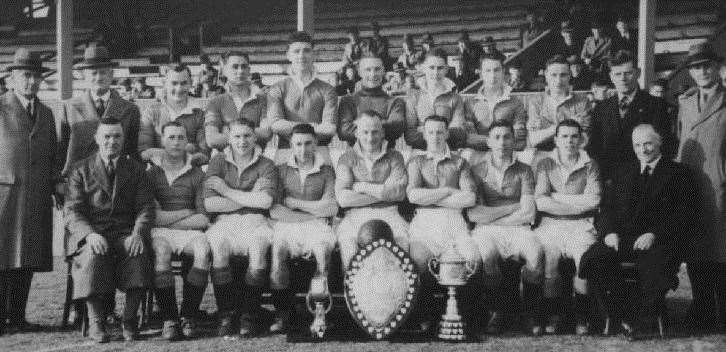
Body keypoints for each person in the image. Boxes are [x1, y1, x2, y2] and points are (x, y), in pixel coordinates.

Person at [580, 124, 697, 339]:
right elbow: (607, 208)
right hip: (622, 239)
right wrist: (609, 233)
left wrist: (654, 234)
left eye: (648, 143)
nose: (643, 150)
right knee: (593, 260)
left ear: (659, 143)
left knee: (655, 268)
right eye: (638, 145)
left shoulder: (679, 173)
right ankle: (623, 313)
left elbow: (684, 214)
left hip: (660, 241)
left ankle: (643, 322)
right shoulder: (624, 171)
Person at [65, 118, 155, 343]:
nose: (111, 141)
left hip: (125, 233)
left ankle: (129, 319)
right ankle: (97, 321)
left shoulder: (136, 169)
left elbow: (145, 206)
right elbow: (72, 210)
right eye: (106, 136)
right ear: (97, 138)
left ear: (124, 140)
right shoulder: (80, 169)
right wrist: (89, 234)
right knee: (93, 255)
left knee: (138, 252)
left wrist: (137, 233)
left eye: (117, 136)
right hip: (94, 233)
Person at [0, 48, 59, 334]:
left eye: (36, 76)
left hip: (36, 194)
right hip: (5, 194)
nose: (31, 82)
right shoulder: (0, 106)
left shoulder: (46, 113)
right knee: (3, 256)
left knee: (28, 256)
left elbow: (53, 155)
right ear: (12, 78)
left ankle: (18, 315)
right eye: (25, 75)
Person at [467, 120, 543, 336]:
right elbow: (474, 213)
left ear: (513, 140)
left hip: (518, 228)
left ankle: (529, 312)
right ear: (489, 142)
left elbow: (529, 213)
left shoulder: (525, 170)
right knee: (487, 254)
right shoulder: (477, 170)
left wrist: (492, 216)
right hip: (487, 230)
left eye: (507, 137)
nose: (502, 142)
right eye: (497, 137)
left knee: (535, 254)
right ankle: (496, 310)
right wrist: (513, 206)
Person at [203, 118, 277, 339]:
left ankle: (249, 315)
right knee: (218, 246)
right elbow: (210, 204)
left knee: (258, 249)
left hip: (256, 220)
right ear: (229, 138)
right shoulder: (217, 161)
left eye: (247, 136)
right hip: (225, 220)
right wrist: (249, 196)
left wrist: (225, 190)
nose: (242, 141)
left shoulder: (266, 164)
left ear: (254, 137)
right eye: (237, 136)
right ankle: (227, 314)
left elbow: (265, 203)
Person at [407, 115, 478, 332]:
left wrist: (432, 196)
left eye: (440, 132)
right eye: (431, 132)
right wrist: (447, 190)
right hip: (425, 221)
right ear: (424, 134)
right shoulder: (416, 161)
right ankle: (426, 314)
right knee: (418, 262)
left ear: (447, 133)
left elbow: (469, 198)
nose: (435, 137)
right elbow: (413, 196)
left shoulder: (460, 161)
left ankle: (467, 315)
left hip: (454, 221)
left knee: (472, 258)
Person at [533, 119, 600, 335]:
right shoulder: (545, 163)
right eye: (564, 136)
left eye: (573, 136)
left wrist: (557, 199)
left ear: (580, 139)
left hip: (581, 225)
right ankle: (554, 315)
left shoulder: (591, 164)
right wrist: (576, 202)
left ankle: (581, 316)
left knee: (583, 261)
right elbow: (541, 201)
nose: (569, 141)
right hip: (550, 224)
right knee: (550, 261)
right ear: (556, 139)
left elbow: (594, 200)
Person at [676, 43, 726, 332]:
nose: (702, 71)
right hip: (689, 187)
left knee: (720, 250)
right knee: (695, 250)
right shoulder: (685, 102)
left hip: (719, 188)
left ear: (717, 68)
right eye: (696, 67)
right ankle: (702, 309)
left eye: (707, 65)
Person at [269, 124, 338, 333]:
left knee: (323, 253)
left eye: (308, 143)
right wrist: (311, 212)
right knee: (278, 251)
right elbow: (276, 211)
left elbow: (331, 207)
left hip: (317, 227)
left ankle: (320, 311)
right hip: (287, 225)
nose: (303, 149)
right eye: (298, 144)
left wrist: (296, 204)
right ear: (291, 145)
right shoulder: (280, 170)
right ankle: (282, 312)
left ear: (316, 143)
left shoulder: (327, 170)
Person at [147, 122, 210, 340]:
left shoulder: (197, 174)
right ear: (162, 141)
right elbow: (153, 217)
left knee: (203, 251)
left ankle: (188, 315)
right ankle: (169, 318)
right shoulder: (152, 174)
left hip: (188, 230)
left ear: (187, 142)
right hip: (160, 232)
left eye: (180, 137)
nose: (176, 142)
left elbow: (203, 218)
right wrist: (186, 211)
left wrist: (169, 219)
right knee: (162, 252)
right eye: (171, 137)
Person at [335, 111, 409, 268]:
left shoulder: (395, 156)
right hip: (355, 215)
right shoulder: (346, 158)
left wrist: (362, 187)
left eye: (375, 131)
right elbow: (343, 198)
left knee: (402, 244)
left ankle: (398, 290)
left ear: (382, 132)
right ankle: (354, 291)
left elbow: (399, 193)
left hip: (389, 213)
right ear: (356, 133)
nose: (370, 138)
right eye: (365, 132)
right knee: (348, 248)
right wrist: (384, 192)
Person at [587, 50, 674, 182]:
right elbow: (594, 147)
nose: (623, 78)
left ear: (638, 73)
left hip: (643, 182)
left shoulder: (655, 105)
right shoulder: (601, 108)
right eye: (618, 74)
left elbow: (665, 147)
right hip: (610, 182)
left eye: (628, 73)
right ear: (611, 76)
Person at [60, 44, 142, 174]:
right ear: (85, 75)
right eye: (93, 73)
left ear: (111, 74)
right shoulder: (69, 108)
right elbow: (61, 149)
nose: (99, 77)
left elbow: (133, 151)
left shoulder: (130, 110)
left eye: (103, 72)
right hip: (80, 180)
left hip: (116, 179)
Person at [267, 31, 337, 152]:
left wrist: (290, 126)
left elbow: (329, 129)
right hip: (286, 151)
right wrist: (314, 127)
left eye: (306, 50)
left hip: (319, 151)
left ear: (313, 54)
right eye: (296, 51)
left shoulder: (327, 89)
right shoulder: (277, 88)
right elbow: (276, 125)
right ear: (288, 55)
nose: (301, 55)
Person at [526, 54, 591, 165]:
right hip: (542, 158)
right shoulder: (536, 102)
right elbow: (534, 140)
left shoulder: (582, 101)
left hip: (573, 158)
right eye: (554, 75)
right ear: (546, 75)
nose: (558, 80)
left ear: (570, 75)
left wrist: (547, 131)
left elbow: (583, 140)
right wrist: (570, 123)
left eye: (563, 75)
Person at [139, 64, 209, 165]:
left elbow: (204, 153)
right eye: (174, 83)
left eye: (184, 83)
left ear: (191, 83)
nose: (179, 89)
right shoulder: (151, 112)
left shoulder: (199, 114)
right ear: (164, 83)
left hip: (190, 172)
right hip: (158, 173)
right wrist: (186, 150)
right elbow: (143, 151)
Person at [204, 51, 269, 151]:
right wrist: (250, 133)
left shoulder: (263, 99)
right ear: (224, 70)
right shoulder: (215, 102)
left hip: (256, 160)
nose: (240, 71)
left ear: (249, 70)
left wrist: (227, 131)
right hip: (225, 161)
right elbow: (212, 139)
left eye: (244, 67)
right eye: (235, 67)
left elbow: (266, 133)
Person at [405, 48, 467, 150]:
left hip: (449, 152)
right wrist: (443, 131)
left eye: (440, 68)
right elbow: (410, 136)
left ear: (446, 69)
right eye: (431, 67)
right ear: (424, 68)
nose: (435, 72)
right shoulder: (414, 96)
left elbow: (459, 132)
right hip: (421, 152)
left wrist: (423, 130)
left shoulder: (455, 98)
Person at [464, 53, 527, 152]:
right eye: (488, 70)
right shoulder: (470, 103)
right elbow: (470, 138)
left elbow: (519, 136)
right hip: (479, 154)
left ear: (503, 72)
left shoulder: (516, 102)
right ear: (481, 74)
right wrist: (500, 141)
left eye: (496, 70)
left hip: (508, 154)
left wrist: (484, 140)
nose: (492, 75)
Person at [338, 55, 406, 146]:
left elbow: (396, 129)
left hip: (387, 157)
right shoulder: (348, 101)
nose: (373, 74)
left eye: (377, 69)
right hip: (355, 157)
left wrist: (359, 124)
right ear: (360, 72)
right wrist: (383, 124)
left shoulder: (395, 102)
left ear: (383, 71)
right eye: (368, 70)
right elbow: (344, 131)